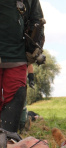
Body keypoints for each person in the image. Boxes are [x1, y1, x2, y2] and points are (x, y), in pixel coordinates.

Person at [0, 0, 44, 132]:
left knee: (16, 97)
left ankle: (7, 143)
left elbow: (37, 20)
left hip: (17, 55)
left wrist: (35, 46)